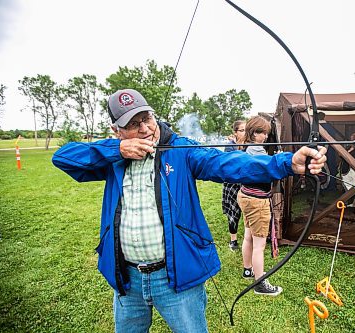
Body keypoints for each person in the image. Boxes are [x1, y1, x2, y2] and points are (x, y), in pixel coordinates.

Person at [52, 89, 327, 333]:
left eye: (146, 118)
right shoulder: (113, 156)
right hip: (127, 278)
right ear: (117, 131)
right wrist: (118, 150)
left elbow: (228, 163)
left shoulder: (181, 149)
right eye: (133, 125)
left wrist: (287, 163)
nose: (145, 129)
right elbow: (63, 157)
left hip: (175, 277)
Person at [237, 116, 282, 296]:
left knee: (249, 235)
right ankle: (259, 283)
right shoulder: (259, 154)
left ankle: (248, 270)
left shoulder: (246, 148)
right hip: (257, 201)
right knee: (259, 245)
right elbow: (271, 173)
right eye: (259, 132)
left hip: (245, 196)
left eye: (265, 133)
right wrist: (277, 161)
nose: (263, 136)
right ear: (251, 133)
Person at [222, 120, 245, 251]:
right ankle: (233, 241)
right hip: (232, 184)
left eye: (246, 130)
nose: (245, 133)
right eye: (242, 130)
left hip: (245, 183)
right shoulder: (230, 146)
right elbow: (229, 164)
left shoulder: (249, 145)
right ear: (235, 132)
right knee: (233, 212)